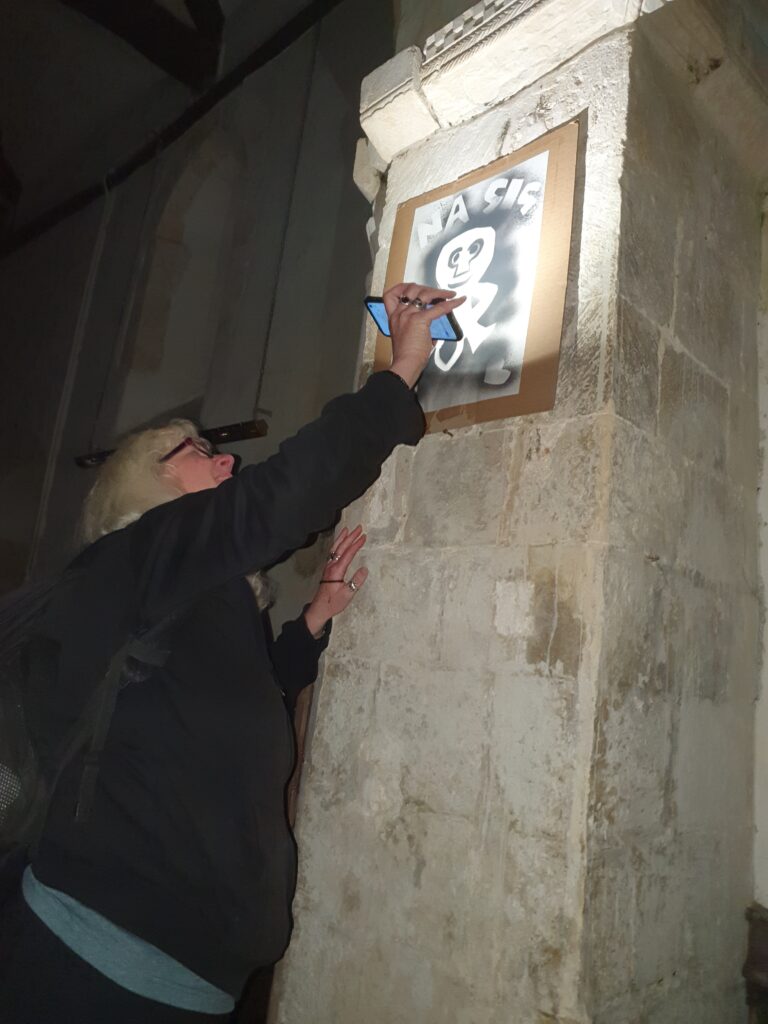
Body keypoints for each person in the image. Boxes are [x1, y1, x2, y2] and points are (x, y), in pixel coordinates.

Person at [0, 283, 465, 1023]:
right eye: (202, 449)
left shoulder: (179, 598)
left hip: (187, 985)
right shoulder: (134, 558)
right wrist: (398, 373)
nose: (228, 463)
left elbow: (215, 714)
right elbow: (282, 496)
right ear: (147, 482)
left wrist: (308, 624)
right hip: (87, 966)